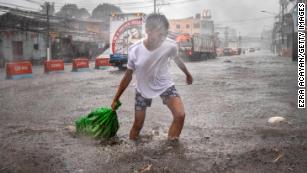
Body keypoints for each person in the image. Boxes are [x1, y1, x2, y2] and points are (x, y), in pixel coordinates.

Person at [111, 13, 193, 141]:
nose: (162, 38)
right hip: (142, 88)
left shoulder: (170, 45)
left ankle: (171, 146)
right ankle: (133, 149)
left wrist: (187, 74)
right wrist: (116, 98)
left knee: (180, 115)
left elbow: (177, 59)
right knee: (138, 125)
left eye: (165, 35)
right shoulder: (135, 50)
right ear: (148, 30)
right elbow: (127, 76)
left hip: (164, 84)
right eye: (160, 34)